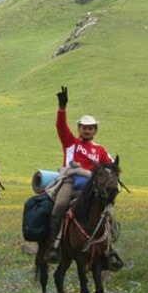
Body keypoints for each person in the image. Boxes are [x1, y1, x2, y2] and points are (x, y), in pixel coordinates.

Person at [45, 86, 123, 271]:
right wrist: (61, 109)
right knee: (59, 205)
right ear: (79, 128)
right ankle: (55, 245)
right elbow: (61, 127)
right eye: (84, 127)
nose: (87, 131)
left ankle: (108, 249)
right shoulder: (71, 142)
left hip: (92, 187)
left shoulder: (100, 150)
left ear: (95, 130)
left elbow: (113, 167)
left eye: (90, 128)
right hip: (70, 182)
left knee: (107, 212)